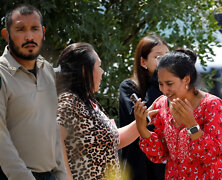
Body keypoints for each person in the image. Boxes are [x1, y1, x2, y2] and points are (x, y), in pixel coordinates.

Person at [134, 49, 222, 179]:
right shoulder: (161, 104)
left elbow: (212, 156)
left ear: (186, 79)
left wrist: (191, 125)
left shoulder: (213, 106)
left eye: (169, 83)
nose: (164, 90)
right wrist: (142, 129)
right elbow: (159, 155)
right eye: (160, 84)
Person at [56, 42, 142, 180]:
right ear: (85, 70)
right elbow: (56, 144)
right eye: (99, 66)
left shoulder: (89, 103)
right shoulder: (69, 101)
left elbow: (114, 141)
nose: (102, 72)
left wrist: (143, 120)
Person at [0, 4, 66, 180]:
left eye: (35, 29)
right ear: (6, 35)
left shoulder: (48, 71)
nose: (29, 36)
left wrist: (61, 174)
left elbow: (52, 127)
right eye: (20, 29)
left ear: (43, 32)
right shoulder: (2, 73)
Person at [118, 34, 168, 179]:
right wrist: (158, 79)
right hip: (138, 163)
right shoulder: (129, 87)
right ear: (143, 61)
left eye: (167, 56)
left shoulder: (173, 88)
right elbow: (147, 118)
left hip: (164, 162)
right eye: (158, 57)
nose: (164, 61)